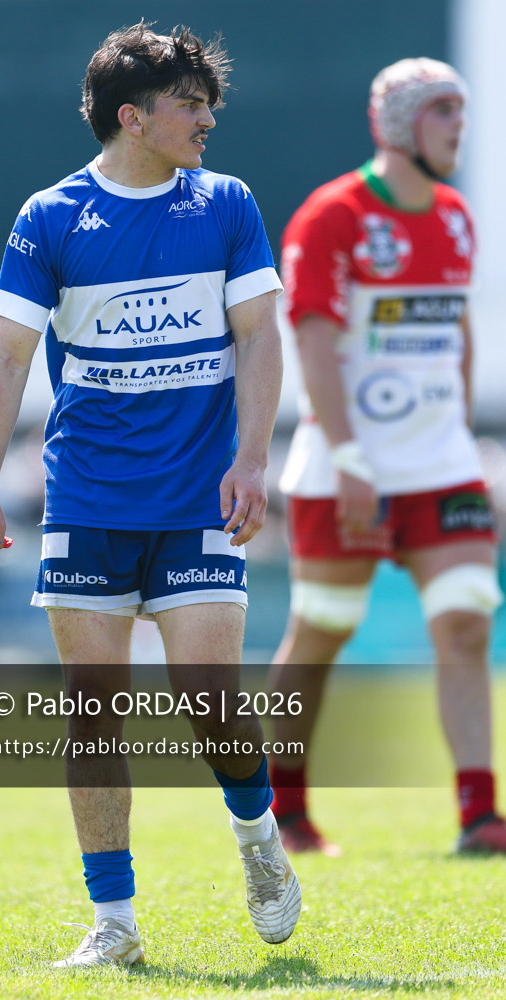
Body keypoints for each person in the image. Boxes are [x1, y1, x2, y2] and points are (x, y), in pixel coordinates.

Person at [0, 23, 301, 968]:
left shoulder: (225, 204)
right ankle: (114, 925)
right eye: (190, 103)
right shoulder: (52, 217)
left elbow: (259, 338)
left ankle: (258, 840)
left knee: (207, 701)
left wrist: (252, 458)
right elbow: (8, 357)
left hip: (198, 496)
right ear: (132, 117)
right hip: (86, 501)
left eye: (207, 101)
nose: (207, 118)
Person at [268, 57, 506, 856]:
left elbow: (456, 333)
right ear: (402, 125)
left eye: (460, 113)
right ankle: (283, 812)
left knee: (468, 620)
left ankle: (478, 815)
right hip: (348, 467)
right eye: (445, 113)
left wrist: (459, 435)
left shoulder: (455, 216)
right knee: (322, 633)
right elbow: (312, 341)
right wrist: (347, 456)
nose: (458, 129)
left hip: (440, 466)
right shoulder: (332, 214)